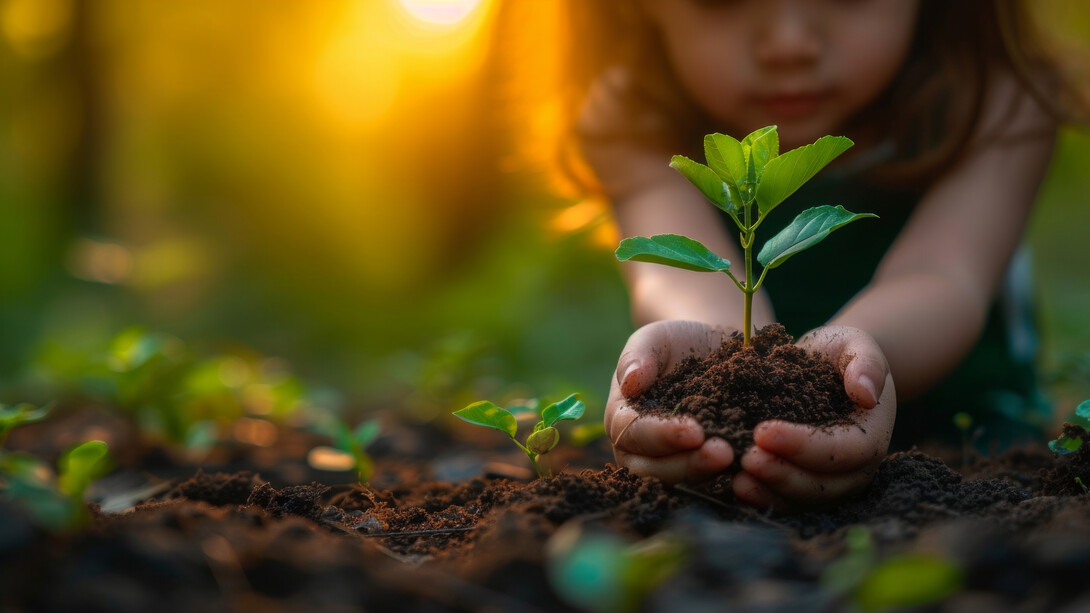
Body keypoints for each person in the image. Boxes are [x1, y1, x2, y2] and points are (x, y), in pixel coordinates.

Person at [524, 0, 1088, 512]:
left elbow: (943, 275)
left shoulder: (996, 102)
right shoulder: (634, 114)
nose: (789, 44)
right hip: (742, 449)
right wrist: (721, 372)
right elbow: (673, 276)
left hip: (970, 436)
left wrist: (843, 373)